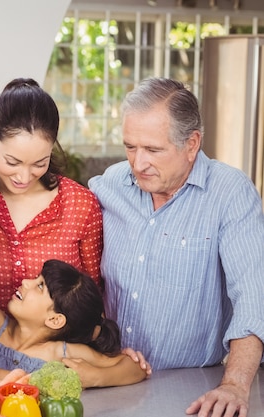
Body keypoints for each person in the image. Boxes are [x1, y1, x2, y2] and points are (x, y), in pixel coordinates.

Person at [88, 77, 264, 417]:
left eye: (153, 150)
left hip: (190, 392)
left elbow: (253, 298)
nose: (138, 163)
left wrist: (234, 385)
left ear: (192, 143)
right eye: (130, 147)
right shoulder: (110, 184)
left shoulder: (230, 194)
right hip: (113, 386)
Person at [0, 78, 103, 312]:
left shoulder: (80, 205)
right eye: (12, 162)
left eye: (40, 163)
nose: (24, 177)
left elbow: (95, 297)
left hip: (59, 348)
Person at [0, 259, 148, 390]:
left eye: (40, 286)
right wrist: (37, 382)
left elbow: (136, 368)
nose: (25, 282)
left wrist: (95, 376)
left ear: (55, 320)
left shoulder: (62, 352)